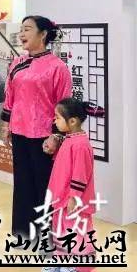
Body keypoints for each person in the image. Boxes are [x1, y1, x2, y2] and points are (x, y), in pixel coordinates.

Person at [1, 16, 72, 239]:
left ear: (43, 34)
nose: (22, 34)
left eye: (27, 29)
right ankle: (23, 232)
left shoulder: (58, 67)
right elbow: (10, 96)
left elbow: (64, 104)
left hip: (44, 136)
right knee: (22, 183)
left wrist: (56, 136)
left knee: (45, 186)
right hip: (19, 133)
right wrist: (6, 125)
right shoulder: (17, 63)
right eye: (21, 29)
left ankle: (47, 237)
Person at [42, 98, 104, 272]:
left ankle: (79, 265)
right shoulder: (70, 139)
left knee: (77, 231)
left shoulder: (81, 145)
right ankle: (62, 260)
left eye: (57, 117)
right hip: (62, 198)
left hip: (73, 201)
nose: (54, 120)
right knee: (61, 230)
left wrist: (74, 198)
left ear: (73, 121)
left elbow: (80, 175)